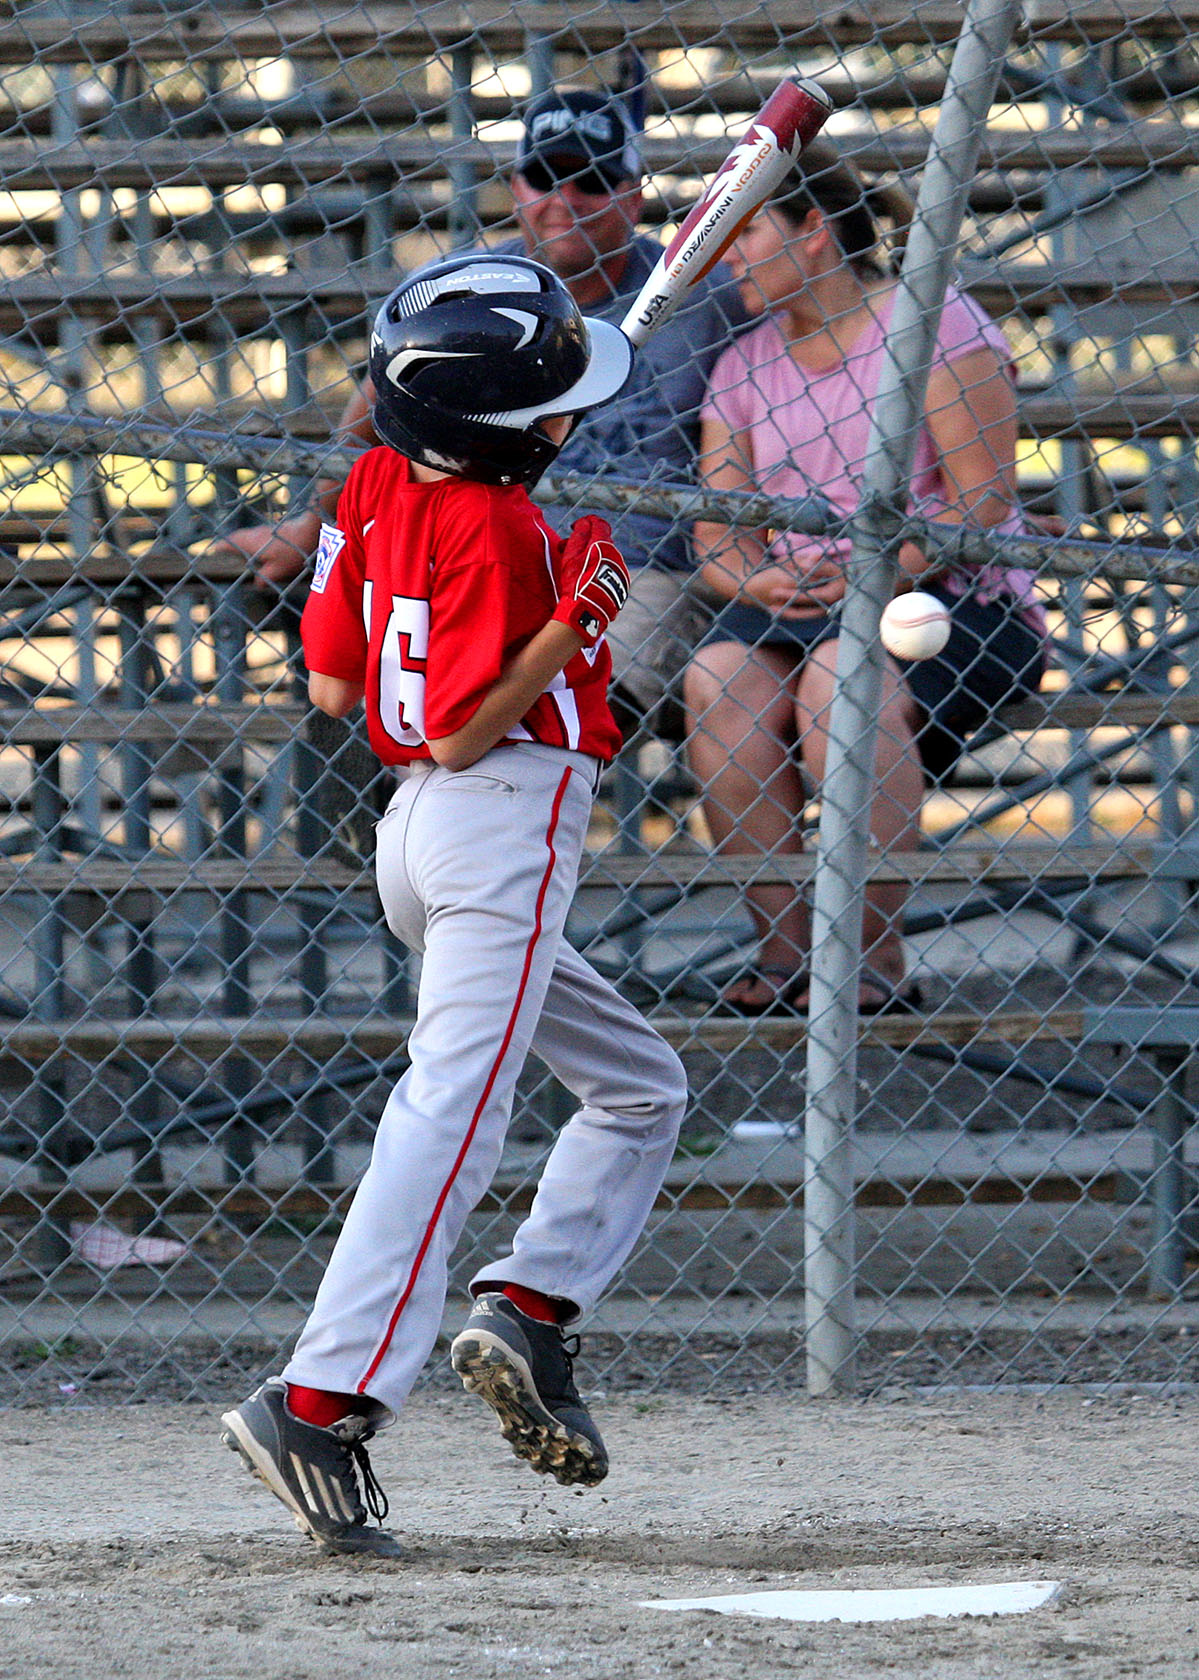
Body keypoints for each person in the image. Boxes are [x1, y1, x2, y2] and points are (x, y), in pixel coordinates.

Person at [219, 254, 688, 1557]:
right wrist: (568, 629)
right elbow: (470, 728)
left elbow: (331, 696)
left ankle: (530, 1312)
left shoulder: (372, 485)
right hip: (494, 817)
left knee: (639, 1087)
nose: (562, 421)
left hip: (413, 839)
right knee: (454, 1110)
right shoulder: (507, 535)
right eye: (545, 410)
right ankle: (318, 1400)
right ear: (499, 433)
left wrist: (536, 568)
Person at [221, 86, 745, 738]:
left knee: (539, 711)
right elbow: (378, 407)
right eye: (545, 176)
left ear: (633, 195)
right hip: (475, 552)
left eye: (593, 179)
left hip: (633, 569)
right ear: (514, 186)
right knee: (421, 707)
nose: (566, 200)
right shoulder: (475, 286)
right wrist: (312, 524)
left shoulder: (712, 299)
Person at [683, 140, 1049, 1016]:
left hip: (947, 596)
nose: (723, 256)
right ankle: (784, 955)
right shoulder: (743, 364)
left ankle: (871, 962)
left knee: (840, 683)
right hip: (798, 604)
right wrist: (756, 583)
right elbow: (715, 539)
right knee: (715, 677)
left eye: (743, 233)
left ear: (813, 230)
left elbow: (980, 505)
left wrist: (868, 579)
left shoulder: (934, 325)